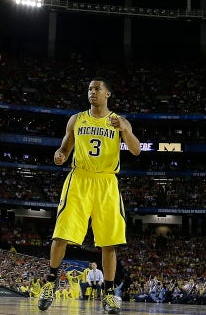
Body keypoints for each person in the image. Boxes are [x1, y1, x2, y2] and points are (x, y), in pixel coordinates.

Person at [37, 78, 141, 314]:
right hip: (79, 179)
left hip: (106, 182)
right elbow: (64, 148)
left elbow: (136, 149)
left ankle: (110, 294)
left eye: (97, 89)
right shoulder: (77, 119)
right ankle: (51, 283)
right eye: (90, 89)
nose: (92, 92)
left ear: (107, 95)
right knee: (61, 233)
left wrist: (125, 129)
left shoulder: (119, 121)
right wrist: (60, 155)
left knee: (109, 241)